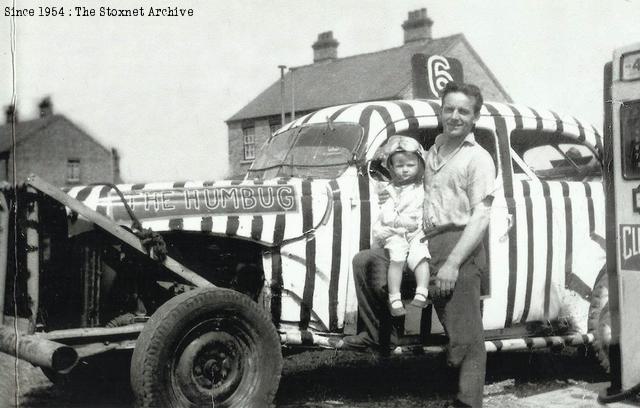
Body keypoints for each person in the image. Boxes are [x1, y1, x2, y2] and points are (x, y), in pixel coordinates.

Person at [340, 82, 496, 408]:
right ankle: (384, 336)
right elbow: (398, 168)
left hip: (458, 245)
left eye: (463, 111)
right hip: (422, 243)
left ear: (475, 116)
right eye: (449, 108)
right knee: (366, 262)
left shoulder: (478, 159)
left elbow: (481, 216)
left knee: (466, 338)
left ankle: (467, 403)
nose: (454, 116)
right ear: (442, 111)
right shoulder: (433, 150)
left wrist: (453, 263)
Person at [372, 135, 431, 317]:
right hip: (396, 232)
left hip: (417, 230)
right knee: (396, 258)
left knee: (420, 255)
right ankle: (394, 297)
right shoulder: (390, 190)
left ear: (419, 165)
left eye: (410, 165)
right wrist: (400, 221)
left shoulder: (422, 187)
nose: (405, 170)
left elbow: (427, 207)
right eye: (400, 166)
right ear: (391, 167)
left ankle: (422, 291)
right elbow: (387, 214)